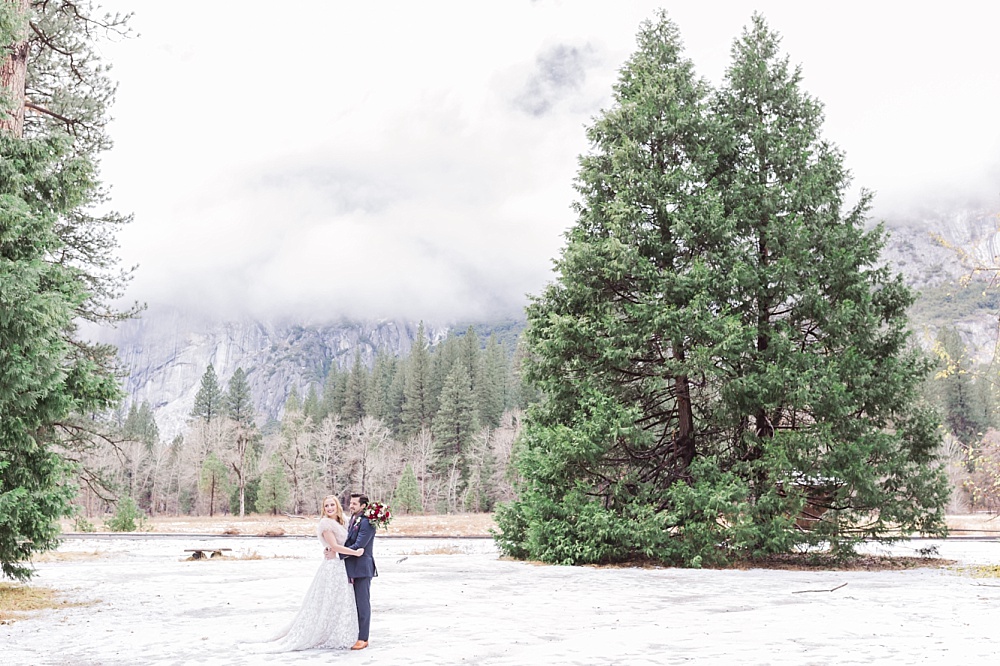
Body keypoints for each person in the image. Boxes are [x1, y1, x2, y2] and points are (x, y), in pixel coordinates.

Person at [240, 495, 363, 653]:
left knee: (340, 599)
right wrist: (355, 552)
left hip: (342, 565)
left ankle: (338, 630)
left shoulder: (345, 521)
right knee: (327, 600)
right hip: (332, 567)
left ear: (337, 505)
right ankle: (323, 632)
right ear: (323, 509)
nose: (330, 508)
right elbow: (334, 546)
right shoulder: (325, 524)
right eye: (327, 506)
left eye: (332, 504)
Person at [337, 493, 377, 651]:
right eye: (351, 503)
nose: (351, 506)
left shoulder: (367, 523)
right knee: (353, 603)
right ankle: (355, 633)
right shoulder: (353, 519)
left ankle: (363, 638)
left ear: (363, 506)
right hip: (351, 566)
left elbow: (360, 545)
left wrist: (338, 553)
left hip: (362, 567)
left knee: (362, 603)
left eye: (354, 503)